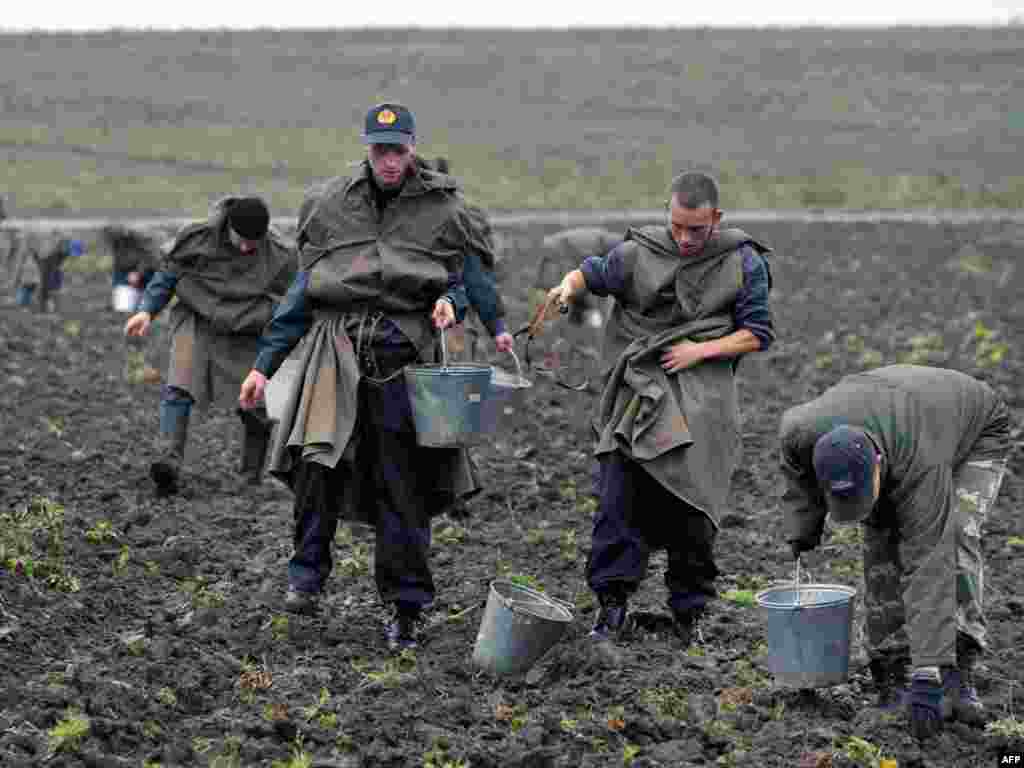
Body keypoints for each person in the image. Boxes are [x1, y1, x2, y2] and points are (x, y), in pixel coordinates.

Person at [237, 103, 491, 652]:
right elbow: (302, 294)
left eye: (398, 149)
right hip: (336, 354)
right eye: (380, 149)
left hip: (403, 363)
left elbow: (465, 282)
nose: (390, 160)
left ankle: (405, 608)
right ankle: (305, 578)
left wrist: (450, 301)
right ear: (367, 149)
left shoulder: (446, 211)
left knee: (405, 488)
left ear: (413, 147)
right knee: (316, 466)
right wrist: (263, 367)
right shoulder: (330, 206)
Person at [547, 171, 774, 646]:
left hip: (703, 395)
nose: (685, 238)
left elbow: (757, 332)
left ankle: (690, 615)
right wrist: (567, 288)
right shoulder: (637, 253)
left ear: (717, 219)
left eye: (697, 229)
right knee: (619, 494)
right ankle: (612, 607)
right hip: (637, 389)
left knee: (693, 501)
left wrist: (699, 350)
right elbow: (590, 273)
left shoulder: (742, 261)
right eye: (677, 227)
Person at [779, 364, 1012, 738]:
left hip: (972, 430)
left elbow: (928, 561)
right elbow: (797, 476)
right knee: (880, 543)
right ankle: (891, 670)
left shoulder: (922, 462)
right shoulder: (801, 432)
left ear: (876, 466)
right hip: (889, 418)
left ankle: (956, 669)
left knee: (952, 538)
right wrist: (801, 528)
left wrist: (927, 672)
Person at [124, 197, 296, 494]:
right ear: (229, 226)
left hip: (246, 326)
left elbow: (295, 297)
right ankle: (168, 462)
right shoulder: (197, 239)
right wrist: (147, 310)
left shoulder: (280, 254)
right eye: (241, 240)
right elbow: (168, 275)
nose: (246, 248)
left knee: (254, 402)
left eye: (254, 243)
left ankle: (250, 476)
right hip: (197, 319)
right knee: (179, 386)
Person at [429, 157, 513, 360]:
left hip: (451, 322)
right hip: (414, 328)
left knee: (453, 381)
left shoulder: (456, 219)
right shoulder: (402, 216)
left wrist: (498, 328)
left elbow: (475, 276)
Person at [101, 224, 161, 311]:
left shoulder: (141, 236)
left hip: (146, 276)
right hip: (125, 276)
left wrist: (139, 272)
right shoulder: (114, 238)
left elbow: (153, 256)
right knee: (123, 308)